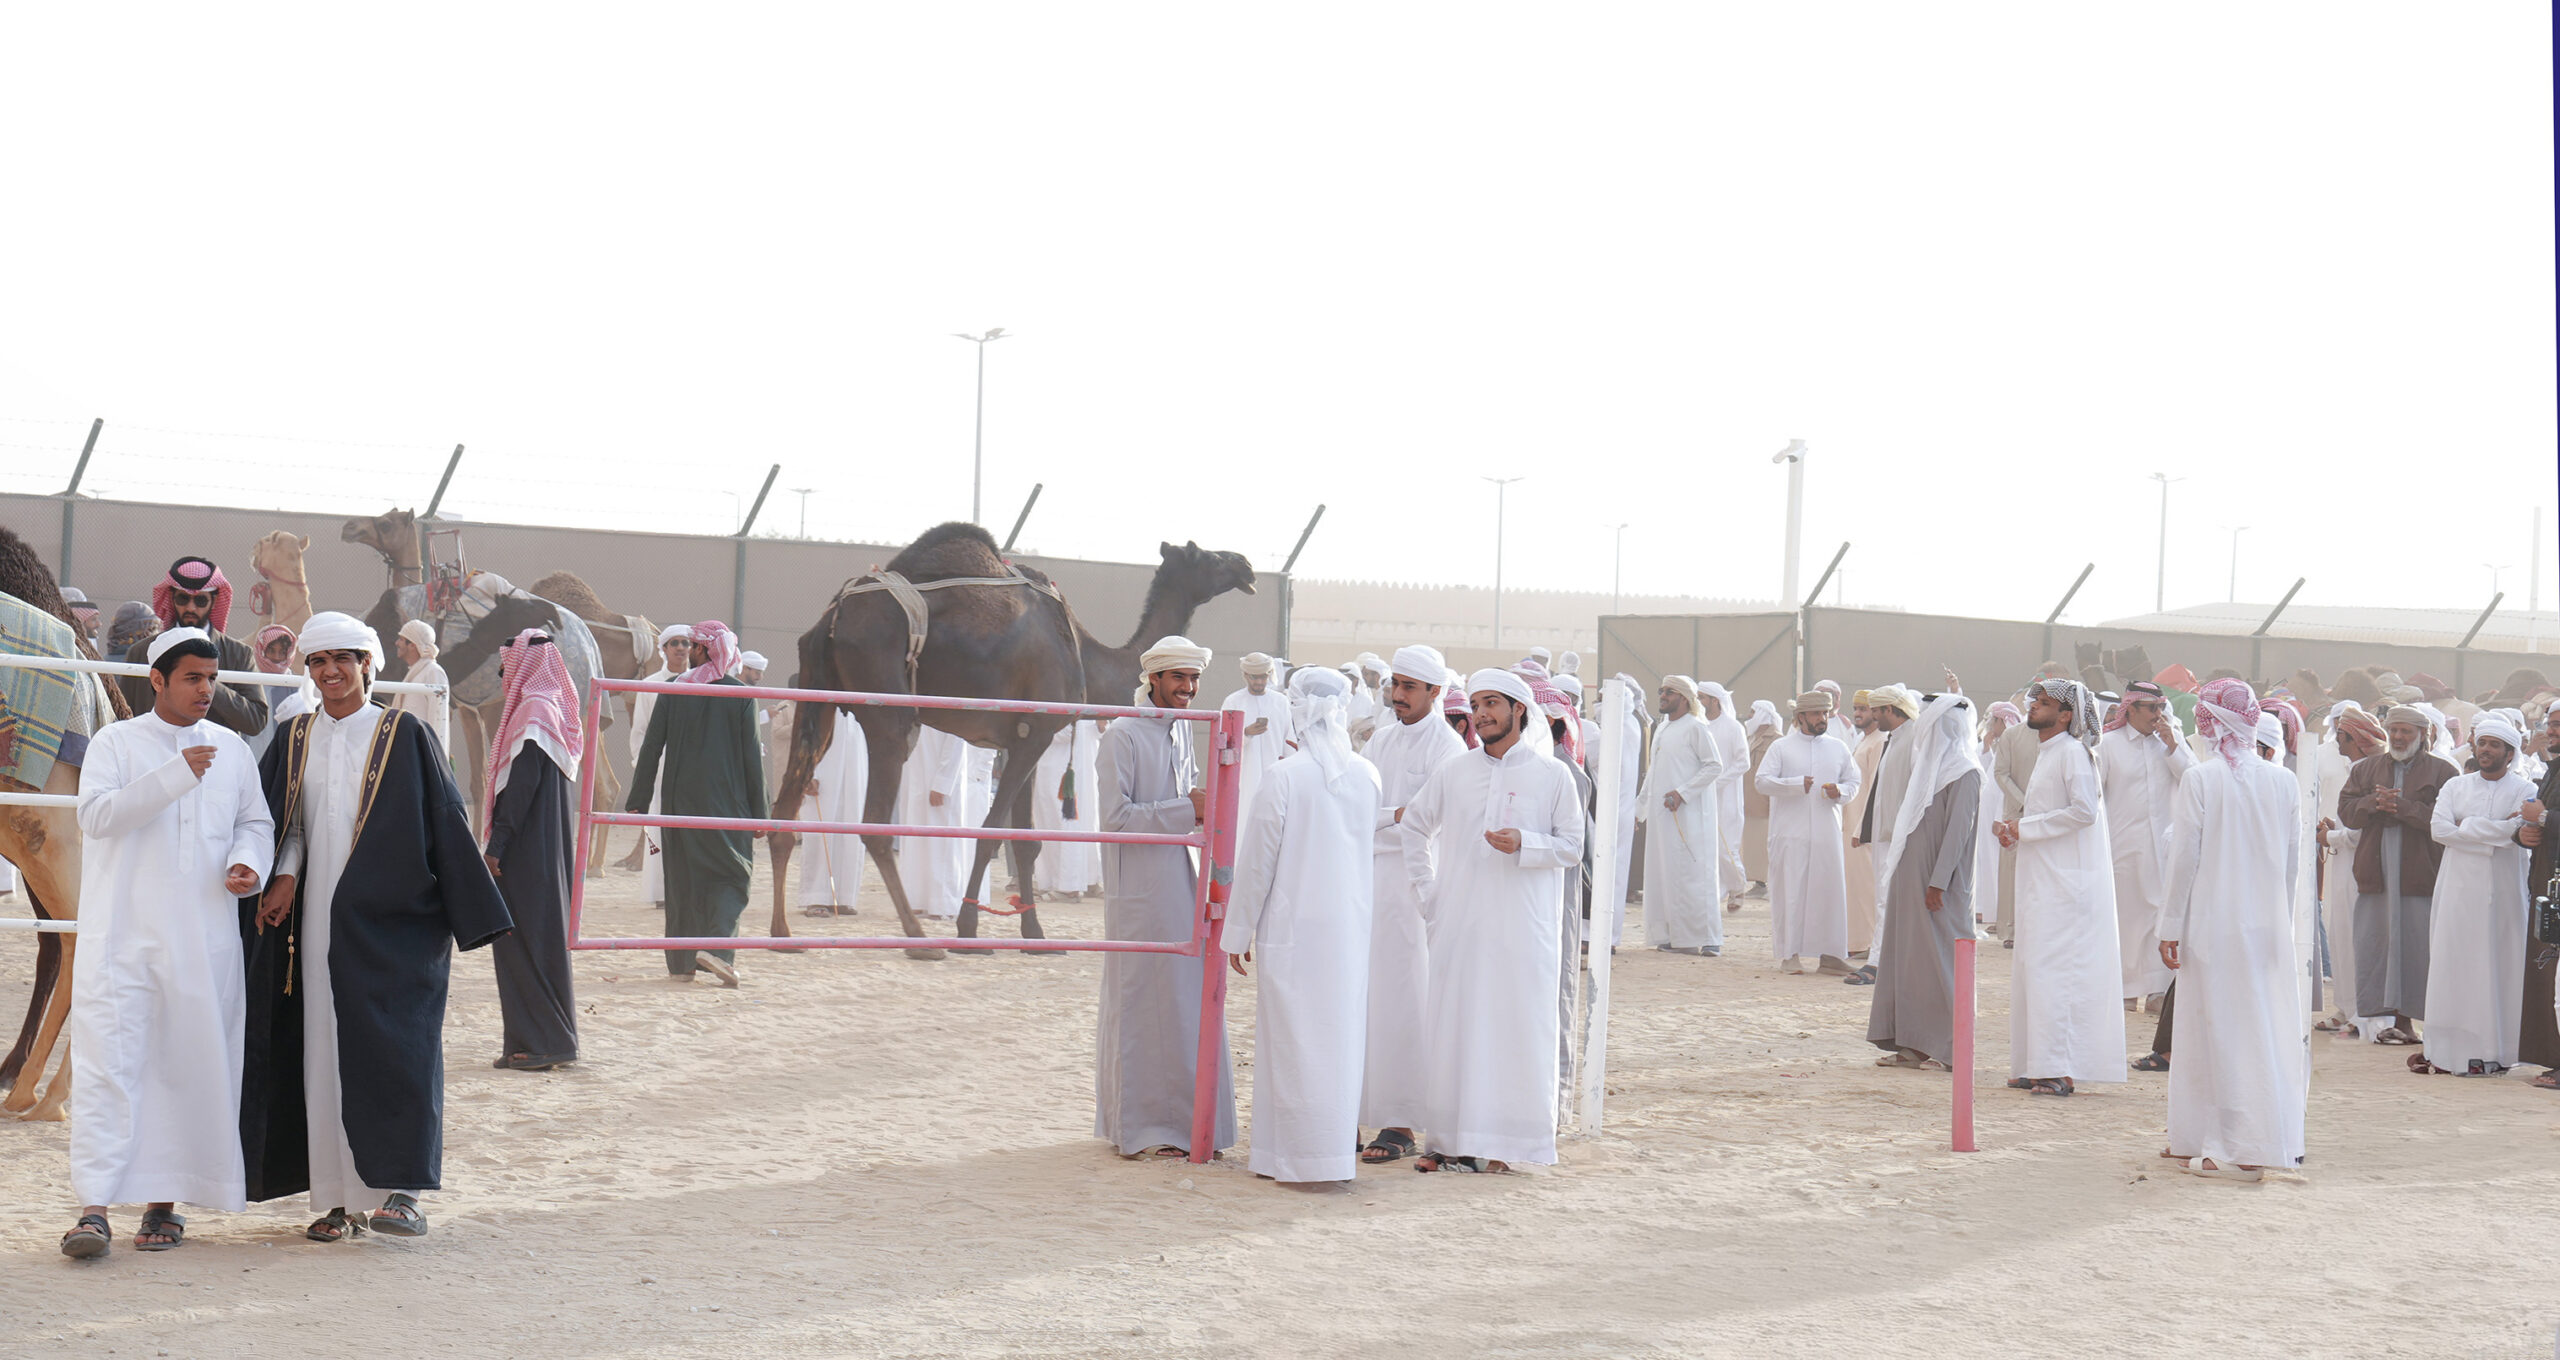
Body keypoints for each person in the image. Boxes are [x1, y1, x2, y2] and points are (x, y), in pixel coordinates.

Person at [243, 611, 512, 1243]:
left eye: (343, 659)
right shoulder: (297, 734)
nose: (330, 672)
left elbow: (444, 819)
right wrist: (284, 873)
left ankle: (403, 1192)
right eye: (318, 661)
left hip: (393, 923)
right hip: (315, 921)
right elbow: (289, 822)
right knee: (322, 1047)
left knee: (395, 1046)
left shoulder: (404, 733)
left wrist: (468, 910)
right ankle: (337, 1200)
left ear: (368, 664)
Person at [60, 629, 276, 1258]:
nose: (206, 690)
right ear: (157, 680)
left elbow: (255, 822)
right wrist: (175, 776)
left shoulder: (231, 749)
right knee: (111, 1066)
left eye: (212, 678)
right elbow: (95, 817)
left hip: (203, 941)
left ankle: (164, 1205)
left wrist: (247, 863)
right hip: (123, 937)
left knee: (185, 1066)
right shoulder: (116, 742)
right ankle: (94, 1211)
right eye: (192, 678)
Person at [1400, 669, 1586, 1173]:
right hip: (1459, 924)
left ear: (1518, 709)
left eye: (1491, 704)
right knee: (1457, 1027)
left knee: (1515, 1030)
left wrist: (1527, 842)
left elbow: (1573, 847)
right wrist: (1428, 894)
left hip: (1523, 929)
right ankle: (1449, 1143)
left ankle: (1509, 1148)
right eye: (1476, 705)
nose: (1480, 714)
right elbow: (1414, 826)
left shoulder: (1552, 775)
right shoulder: (1455, 771)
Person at [1221, 667, 1378, 1189]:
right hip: (1348, 932)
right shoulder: (1367, 775)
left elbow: (1256, 862)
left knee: (1290, 1042)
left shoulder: (1284, 776)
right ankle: (1312, 1155)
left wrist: (1236, 933)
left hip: (1293, 929)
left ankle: (1294, 1157)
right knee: (1337, 1039)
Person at [2155, 679, 2304, 1180]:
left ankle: (2241, 1150)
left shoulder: (2201, 779)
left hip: (2212, 924)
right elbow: (2292, 867)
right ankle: (2194, 1135)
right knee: (2227, 1027)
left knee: (2225, 1031)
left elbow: (2184, 860)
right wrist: (2280, 924)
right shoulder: (2283, 781)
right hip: (2263, 924)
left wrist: (2169, 925)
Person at [1094, 637, 1236, 1159]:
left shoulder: (1180, 730)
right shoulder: (1122, 735)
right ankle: (1144, 1129)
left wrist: (1192, 810)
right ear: (1152, 678)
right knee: (1141, 1001)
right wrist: (1187, 809)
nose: (1188, 688)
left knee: (1181, 1001)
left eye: (1193, 678)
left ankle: (1186, 1126)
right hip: (1139, 892)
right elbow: (1114, 820)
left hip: (1180, 882)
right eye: (1178, 677)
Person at [1356, 644, 1467, 1165]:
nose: (1397, 695)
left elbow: (1427, 822)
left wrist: (1389, 818)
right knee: (1365, 998)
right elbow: (1359, 809)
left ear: (1434, 692)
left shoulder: (1449, 749)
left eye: (1409, 687)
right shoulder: (1380, 739)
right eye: (1394, 685)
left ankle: (1400, 1123)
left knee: (1406, 1000)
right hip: (1369, 882)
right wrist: (1392, 815)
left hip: (1415, 887)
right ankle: (1355, 1112)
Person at [1993, 678, 2125, 1097]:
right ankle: (2033, 1065)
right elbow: (2052, 815)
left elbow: (2084, 812)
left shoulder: (2072, 753)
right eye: (2034, 700)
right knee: (2034, 969)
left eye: (2045, 702)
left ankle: (2058, 1069)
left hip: (2066, 887)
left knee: (2055, 974)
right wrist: (2015, 831)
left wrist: (2026, 827)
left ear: (2066, 715)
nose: (2033, 706)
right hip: (2042, 879)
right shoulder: (2049, 752)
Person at [626, 621, 766, 986]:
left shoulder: (674, 689)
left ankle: (682, 964)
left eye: (692, 644)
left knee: (682, 878)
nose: (687, 650)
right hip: (727, 801)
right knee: (732, 874)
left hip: (678, 799)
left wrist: (639, 799)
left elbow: (652, 746)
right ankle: (717, 950)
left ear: (702, 649)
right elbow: (752, 758)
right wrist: (760, 814)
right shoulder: (740, 694)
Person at [2414, 714, 2538, 1077]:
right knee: (2455, 963)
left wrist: (2465, 827)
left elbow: (2521, 829)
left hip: (2504, 893)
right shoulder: (2456, 786)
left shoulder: (2524, 789)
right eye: (2482, 743)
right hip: (2457, 890)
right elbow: (2439, 830)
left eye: (2494, 745)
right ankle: (2449, 1051)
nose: (2485, 750)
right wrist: (2497, 832)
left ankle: (2498, 1051)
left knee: (2500, 966)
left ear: (2510, 753)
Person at [481, 628, 583, 1070]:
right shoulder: (552, 710)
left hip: (524, 851)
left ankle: (546, 1043)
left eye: (507, 666)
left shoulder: (534, 712)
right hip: (544, 851)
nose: (504, 675)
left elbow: (520, 789)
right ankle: (535, 1039)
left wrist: (496, 846)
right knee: (536, 941)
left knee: (522, 941)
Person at [1865, 692, 1983, 1070]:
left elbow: (1957, 833)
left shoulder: (1965, 772)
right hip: (1911, 881)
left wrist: (1938, 883)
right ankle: (1912, 1044)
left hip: (1938, 886)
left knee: (1943, 964)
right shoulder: (1929, 770)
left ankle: (1952, 1048)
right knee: (1910, 963)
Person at [2339, 705, 2457, 1046]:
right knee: (2374, 945)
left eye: (2406, 731)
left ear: (2423, 735)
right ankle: (2383, 1021)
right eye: (2394, 730)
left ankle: (2410, 1022)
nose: (2399, 737)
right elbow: (2346, 812)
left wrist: (2404, 809)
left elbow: (2447, 821)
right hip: (2376, 875)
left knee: (2417, 948)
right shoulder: (2366, 769)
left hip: (2418, 875)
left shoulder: (2443, 772)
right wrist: (2373, 804)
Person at [2099, 681, 2196, 1017]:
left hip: (2164, 848)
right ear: (2131, 709)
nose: (2158, 715)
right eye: (2151, 708)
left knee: (2160, 916)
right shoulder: (2108, 744)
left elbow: (2195, 780)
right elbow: (2095, 796)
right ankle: (2126, 990)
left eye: (2161, 708)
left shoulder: (2170, 742)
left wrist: (2173, 746)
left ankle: (2158, 991)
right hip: (2122, 846)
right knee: (2126, 919)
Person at [1755, 692, 1861, 975]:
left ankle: (1831, 956)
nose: (1822, 719)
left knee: (1829, 893)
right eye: (1816, 714)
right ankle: (1789, 955)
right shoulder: (1781, 747)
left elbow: (1854, 781)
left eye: (1825, 713)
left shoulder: (1838, 747)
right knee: (1792, 892)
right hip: (1790, 835)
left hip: (1827, 835)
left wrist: (1841, 791)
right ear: (1800, 717)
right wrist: (1794, 785)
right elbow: (1762, 782)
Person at [117, 556, 270, 741]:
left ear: (214, 601)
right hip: (152, 753)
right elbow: (121, 715)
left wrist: (208, 683)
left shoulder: (239, 654)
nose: (191, 608)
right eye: (183, 598)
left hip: (212, 754)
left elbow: (255, 722)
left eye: (200, 601)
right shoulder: (141, 652)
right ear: (172, 598)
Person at [1639, 676, 1730, 956]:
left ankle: (1709, 938)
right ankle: (1678, 939)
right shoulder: (1663, 728)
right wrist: (1639, 810)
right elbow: (1653, 773)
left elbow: (1714, 766)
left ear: (1684, 698)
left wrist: (1683, 792)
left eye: (1670, 692)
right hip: (1663, 818)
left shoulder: (1696, 727)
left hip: (1691, 818)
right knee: (1666, 876)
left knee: (1694, 876)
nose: (1663, 695)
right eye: (1661, 691)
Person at [2314, 705, 2385, 1034]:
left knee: (2357, 939)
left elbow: (2362, 833)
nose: (2337, 740)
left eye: (2342, 735)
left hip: (2362, 868)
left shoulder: (2372, 774)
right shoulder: (2355, 770)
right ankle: (2345, 1007)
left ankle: (2362, 1014)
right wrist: (2335, 829)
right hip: (2342, 865)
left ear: (2355, 740)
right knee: (2340, 934)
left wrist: (2330, 836)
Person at [1847, 685, 1921, 981]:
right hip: (1883, 833)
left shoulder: (1914, 741)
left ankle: (1879, 964)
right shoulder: (1894, 739)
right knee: (1883, 899)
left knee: (1889, 900)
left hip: (1900, 835)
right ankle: (1881, 962)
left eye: (1876, 711)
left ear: (1890, 710)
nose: (1873, 717)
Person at [628, 624, 694, 897]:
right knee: (658, 825)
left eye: (685, 643)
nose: (680, 648)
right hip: (660, 768)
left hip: (694, 768)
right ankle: (661, 892)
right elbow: (640, 731)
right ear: (664, 649)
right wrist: (644, 769)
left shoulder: (702, 682)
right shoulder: (649, 685)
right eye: (674, 643)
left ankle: (688, 891)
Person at [2519, 707, 2560, 1088]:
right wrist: (2524, 833)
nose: (2552, 731)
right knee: (2546, 974)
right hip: (2547, 883)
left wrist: (2545, 819)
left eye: (2559, 725)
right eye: (2551, 724)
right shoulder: (2553, 769)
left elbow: (2545, 815)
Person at [796, 703, 869, 916]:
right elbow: (804, 734)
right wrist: (808, 772)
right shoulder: (819, 702)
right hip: (822, 774)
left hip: (855, 771)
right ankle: (815, 898)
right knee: (821, 831)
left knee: (851, 831)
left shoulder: (859, 704)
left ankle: (844, 896)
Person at [896, 721, 971, 920]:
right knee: (915, 839)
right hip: (915, 773)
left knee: (942, 841)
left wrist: (943, 782)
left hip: (940, 775)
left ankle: (943, 903)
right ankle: (915, 900)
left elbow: (956, 738)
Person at [1990, 688, 2047, 945]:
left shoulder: (2059, 738)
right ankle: (2012, 931)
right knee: (2013, 873)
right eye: (2036, 704)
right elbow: (2001, 773)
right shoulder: (2012, 735)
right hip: (2016, 813)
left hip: (2048, 815)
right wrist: (2024, 801)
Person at [1221, 652, 1294, 827]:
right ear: (1245, 675)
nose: (1260, 682)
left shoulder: (1281, 702)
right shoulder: (1233, 701)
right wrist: (1245, 734)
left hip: (1275, 774)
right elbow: (1223, 743)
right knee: (1242, 822)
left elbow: (1289, 741)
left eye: (1264, 676)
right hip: (1244, 777)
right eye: (1254, 677)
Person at [1840, 692, 1886, 965]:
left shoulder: (1880, 741)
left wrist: (1862, 827)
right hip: (1851, 824)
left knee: (1866, 886)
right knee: (1854, 886)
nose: (1858, 713)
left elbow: (1875, 790)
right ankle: (1856, 941)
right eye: (1856, 708)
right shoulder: (1863, 739)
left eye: (1864, 709)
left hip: (1863, 828)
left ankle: (1868, 942)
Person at [1033, 720, 1102, 899]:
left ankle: (1082, 882)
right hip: (1056, 762)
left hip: (1084, 763)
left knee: (1085, 820)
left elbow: (1097, 729)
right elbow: (1048, 728)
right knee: (1056, 819)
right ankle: (1061, 882)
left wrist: (1100, 725)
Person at [1696, 681, 1750, 906]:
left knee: (1726, 848)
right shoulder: (1699, 725)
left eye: (1702, 697)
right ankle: (1716, 893)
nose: (1698, 701)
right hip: (1701, 796)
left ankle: (1737, 886)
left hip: (1727, 798)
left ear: (1714, 701)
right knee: (1706, 848)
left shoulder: (1733, 727)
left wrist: (1717, 782)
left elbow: (1743, 762)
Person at [1740, 699, 1781, 898]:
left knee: (1764, 845)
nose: (1749, 716)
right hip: (1749, 801)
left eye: (1753, 712)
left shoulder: (1776, 740)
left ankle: (1766, 883)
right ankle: (1758, 882)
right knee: (1752, 845)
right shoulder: (1751, 738)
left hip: (1764, 802)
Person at [390, 619, 450, 751]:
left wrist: (432, 755)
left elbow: (437, 719)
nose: (397, 643)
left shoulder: (433, 672)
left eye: (401, 639)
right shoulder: (415, 673)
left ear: (412, 645)